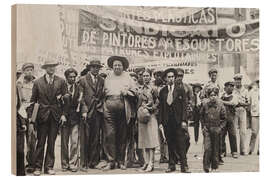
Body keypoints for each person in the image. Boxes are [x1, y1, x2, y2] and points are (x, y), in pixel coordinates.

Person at [28, 60, 67, 176]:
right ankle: (37, 167)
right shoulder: (38, 82)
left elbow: (65, 100)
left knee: (51, 142)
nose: (51, 68)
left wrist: (64, 114)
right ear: (45, 68)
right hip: (42, 116)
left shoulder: (61, 81)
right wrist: (31, 117)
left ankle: (49, 167)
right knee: (40, 142)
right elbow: (33, 101)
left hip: (55, 116)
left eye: (53, 66)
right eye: (49, 67)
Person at [102, 56, 137, 171]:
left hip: (123, 107)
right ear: (112, 66)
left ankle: (121, 161)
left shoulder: (128, 77)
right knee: (109, 134)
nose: (117, 67)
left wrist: (127, 92)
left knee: (122, 135)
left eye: (119, 65)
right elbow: (103, 92)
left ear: (123, 67)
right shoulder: (108, 77)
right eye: (115, 65)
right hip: (109, 107)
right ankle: (111, 161)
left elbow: (135, 92)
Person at [159, 68, 190, 173]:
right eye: (169, 77)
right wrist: (160, 123)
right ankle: (171, 165)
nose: (171, 79)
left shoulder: (180, 89)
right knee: (170, 144)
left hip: (178, 121)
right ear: (165, 79)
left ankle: (184, 166)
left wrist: (184, 120)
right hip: (167, 122)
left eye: (172, 76)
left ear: (175, 78)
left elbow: (185, 106)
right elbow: (161, 108)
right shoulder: (162, 91)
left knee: (181, 144)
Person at [79, 60, 105, 171]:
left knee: (95, 137)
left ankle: (93, 162)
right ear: (89, 68)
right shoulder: (82, 80)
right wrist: (84, 110)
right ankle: (83, 163)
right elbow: (80, 98)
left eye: (98, 67)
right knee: (85, 138)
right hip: (86, 112)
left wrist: (100, 104)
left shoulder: (102, 80)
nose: (96, 69)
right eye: (94, 67)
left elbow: (103, 95)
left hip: (97, 112)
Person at [137, 69, 160, 172]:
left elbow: (158, 102)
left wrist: (151, 108)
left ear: (150, 77)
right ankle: (146, 162)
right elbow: (138, 102)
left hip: (151, 117)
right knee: (144, 141)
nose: (145, 77)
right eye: (144, 76)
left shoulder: (154, 89)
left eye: (147, 76)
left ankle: (151, 163)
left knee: (151, 141)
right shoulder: (140, 89)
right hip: (142, 116)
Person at [200, 87, 227, 173]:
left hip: (216, 129)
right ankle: (206, 166)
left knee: (216, 148)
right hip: (207, 129)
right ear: (208, 96)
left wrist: (220, 128)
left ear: (217, 96)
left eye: (215, 95)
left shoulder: (220, 105)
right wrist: (203, 127)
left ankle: (214, 166)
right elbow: (201, 116)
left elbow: (224, 119)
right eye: (211, 95)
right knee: (207, 148)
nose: (213, 97)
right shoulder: (205, 105)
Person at [17, 63, 36, 173]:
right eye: (27, 70)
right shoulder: (19, 83)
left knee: (31, 139)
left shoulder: (36, 83)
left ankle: (31, 164)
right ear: (24, 71)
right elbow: (18, 100)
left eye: (31, 70)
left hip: (32, 111)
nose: (29, 72)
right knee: (20, 140)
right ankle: (20, 164)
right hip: (21, 112)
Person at [60, 68, 81, 172]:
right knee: (64, 142)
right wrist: (61, 115)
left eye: (74, 77)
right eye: (70, 77)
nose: (72, 79)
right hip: (64, 119)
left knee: (74, 142)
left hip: (75, 119)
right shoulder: (61, 87)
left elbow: (81, 102)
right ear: (66, 77)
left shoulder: (78, 88)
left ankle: (73, 163)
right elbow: (58, 103)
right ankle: (64, 164)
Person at [220, 81, 238, 159]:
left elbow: (234, 103)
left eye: (232, 86)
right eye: (229, 86)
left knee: (232, 134)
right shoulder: (222, 95)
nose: (231, 87)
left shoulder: (235, 95)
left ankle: (234, 151)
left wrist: (222, 102)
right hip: (223, 118)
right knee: (222, 134)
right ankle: (222, 151)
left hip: (231, 118)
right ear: (225, 87)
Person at [233, 74, 250, 155]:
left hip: (242, 110)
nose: (237, 82)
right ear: (234, 81)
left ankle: (242, 149)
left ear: (241, 80)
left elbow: (248, 103)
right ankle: (235, 150)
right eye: (236, 80)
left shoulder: (245, 90)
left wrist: (241, 103)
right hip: (234, 111)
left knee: (243, 131)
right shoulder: (232, 90)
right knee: (234, 131)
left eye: (239, 80)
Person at [16, 86, 27, 176]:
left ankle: (20, 173)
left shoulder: (17, 88)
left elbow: (20, 107)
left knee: (20, 150)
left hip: (18, 123)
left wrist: (23, 122)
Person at [248, 80, 259, 155]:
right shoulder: (252, 91)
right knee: (254, 132)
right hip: (255, 114)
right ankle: (250, 149)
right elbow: (248, 101)